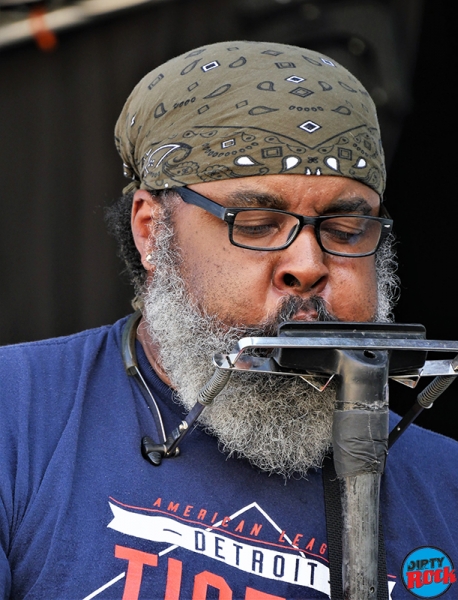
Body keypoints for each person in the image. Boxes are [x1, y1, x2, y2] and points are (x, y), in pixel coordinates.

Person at [1, 40, 457, 600]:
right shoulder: (16, 414)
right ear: (152, 231)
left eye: (343, 229)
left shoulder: (448, 487)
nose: (309, 266)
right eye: (258, 223)